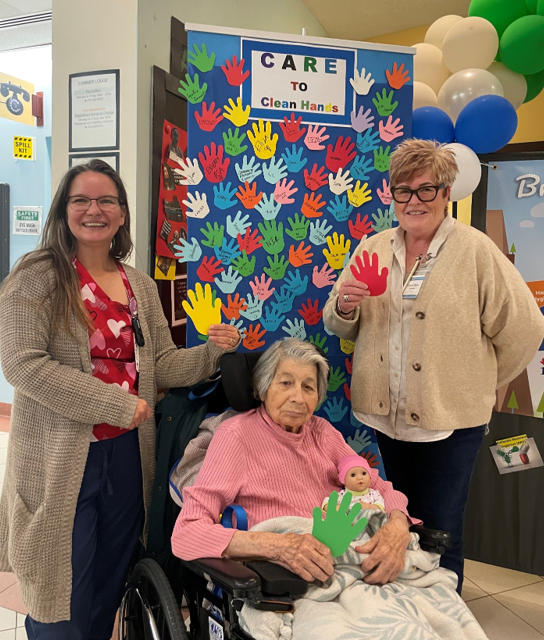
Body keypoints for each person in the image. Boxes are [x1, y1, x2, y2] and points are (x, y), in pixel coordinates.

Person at [0, 159, 240, 640]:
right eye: (81, 200)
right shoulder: (37, 275)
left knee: (108, 581)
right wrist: (113, 404)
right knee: (61, 595)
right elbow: (21, 364)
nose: (94, 209)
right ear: (63, 210)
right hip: (61, 459)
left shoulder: (139, 286)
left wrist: (213, 351)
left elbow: (161, 367)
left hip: (128, 456)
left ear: (123, 213)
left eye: (107, 200)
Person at [323, 138, 544, 593]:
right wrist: (344, 305)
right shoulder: (375, 246)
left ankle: (446, 613)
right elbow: (339, 324)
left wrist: (478, 382)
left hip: (451, 421)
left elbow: (525, 328)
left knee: (441, 528)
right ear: (391, 195)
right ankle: (409, 612)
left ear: (446, 194)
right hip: (387, 416)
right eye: (402, 190)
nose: (414, 201)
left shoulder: (475, 251)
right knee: (397, 518)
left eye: (426, 189)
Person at [172, 338, 419, 586]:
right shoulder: (236, 435)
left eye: (308, 388)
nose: (298, 398)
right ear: (263, 387)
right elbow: (187, 533)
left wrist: (397, 527)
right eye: (286, 383)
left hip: (349, 564)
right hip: (286, 577)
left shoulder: (322, 432)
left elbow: (378, 487)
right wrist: (281, 546)